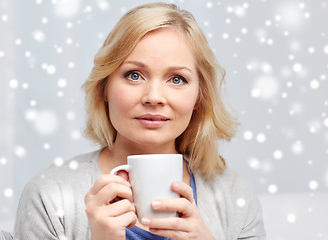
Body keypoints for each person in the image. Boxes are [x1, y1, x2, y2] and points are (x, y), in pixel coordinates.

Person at [14, 2, 266, 240]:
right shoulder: (49, 196)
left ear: (199, 96)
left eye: (177, 79)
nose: (154, 97)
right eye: (134, 75)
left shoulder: (235, 195)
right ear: (104, 88)